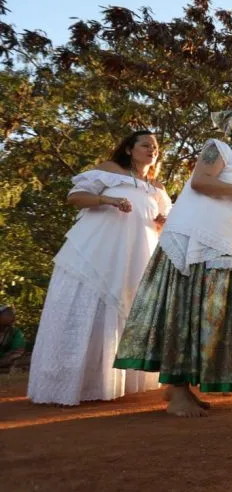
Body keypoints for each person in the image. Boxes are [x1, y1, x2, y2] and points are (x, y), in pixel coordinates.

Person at [114, 111, 232, 417]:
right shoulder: (218, 147)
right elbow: (201, 182)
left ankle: (181, 388)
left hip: (221, 244)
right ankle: (179, 391)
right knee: (188, 308)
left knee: (204, 312)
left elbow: (221, 198)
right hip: (196, 242)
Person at [28, 131, 170, 405]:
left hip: (136, 252)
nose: (152, 150)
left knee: (126, 308)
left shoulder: (157, 187)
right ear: (129, 149)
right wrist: (108, 200)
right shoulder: (109, 170)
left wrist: (163, 220)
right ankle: (68, 385)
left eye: (155, 147)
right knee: (87, 305)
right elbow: (76, 197)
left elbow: (163, 219)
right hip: (98, 249)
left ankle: (115, 383)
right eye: (145, 145)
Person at [0, 305, 26, 373]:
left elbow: (18, 350)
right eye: (8, 314)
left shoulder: (15, 332)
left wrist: (9, 358)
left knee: (28, 359)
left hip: (7, 359)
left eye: (12, 314)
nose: (13, 317)